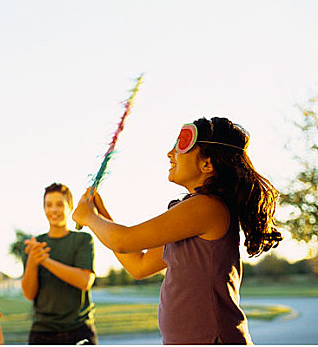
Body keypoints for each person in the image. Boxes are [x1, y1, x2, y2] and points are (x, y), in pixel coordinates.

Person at [73, 117, 283, 344]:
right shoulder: (192, 211)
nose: (169, 153)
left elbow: (124, 240)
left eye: (181, 147)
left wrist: (89, 218)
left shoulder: (207, 206)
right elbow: (140, 265)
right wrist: (101, 216)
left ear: (207, 164)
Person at [22, 182, 97, 345]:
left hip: (79, 330)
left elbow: (85, 281)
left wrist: (45, 260)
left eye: (59, 204)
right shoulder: (34, 245)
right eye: (49, 205)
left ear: (69, 207)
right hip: (42, 332)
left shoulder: (82, 240)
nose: (53, 210)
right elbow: (29, 294)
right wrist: (33, 262)